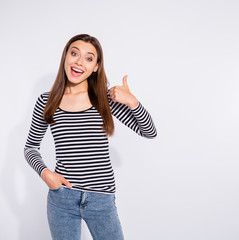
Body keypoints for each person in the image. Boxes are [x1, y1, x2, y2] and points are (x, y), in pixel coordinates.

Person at [23, 34, 157, 240]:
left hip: (101, 200)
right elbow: (30, 147)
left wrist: (132, 102)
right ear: (65, 57)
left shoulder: (104, 99)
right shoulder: (46, 101)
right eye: (74, 53)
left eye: (88, 58)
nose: (79, 61)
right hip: (62, 199)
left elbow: (149, 132)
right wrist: (45, 174)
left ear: (96, 66)